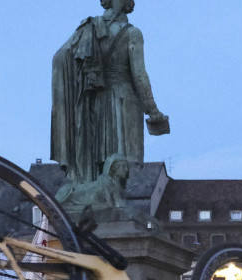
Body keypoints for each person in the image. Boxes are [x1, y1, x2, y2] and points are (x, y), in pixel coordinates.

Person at [51, 0, 169, 189]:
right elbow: (139, 74)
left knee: (99, 161)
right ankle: (116, 204)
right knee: (120, 163)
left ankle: (99, 203)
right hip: (124, 102)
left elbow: (60, 57)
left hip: (95, 102)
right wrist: (152, 110)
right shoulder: (132, 33)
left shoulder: (88, 29)